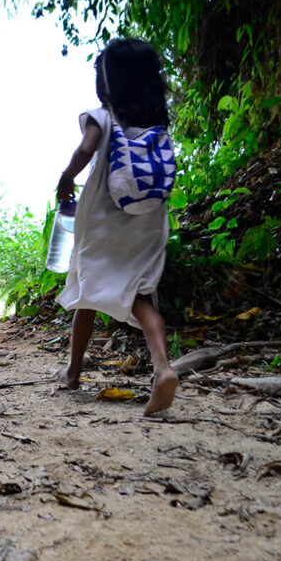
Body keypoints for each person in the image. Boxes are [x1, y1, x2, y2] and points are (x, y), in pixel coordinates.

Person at [55, 38, 178, 416]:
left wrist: (66, 177)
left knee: (87, 293)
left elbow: (86, 149)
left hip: (106, 223)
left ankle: (73, 372)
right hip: (149, 225)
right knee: (141, 297)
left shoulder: (102, 117)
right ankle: (163, 368)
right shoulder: (157, 125)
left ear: (107, 82)